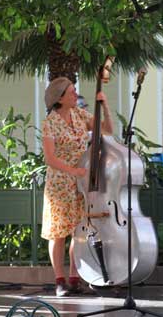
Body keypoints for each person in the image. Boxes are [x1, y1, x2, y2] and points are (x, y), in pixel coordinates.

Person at [41, 77, 113, 297]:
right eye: (71, 92)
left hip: (80, 183)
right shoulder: (50, 122)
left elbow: (107, 130)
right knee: (58, 233)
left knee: (78, 231)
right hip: (60, 183)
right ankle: (59, 280)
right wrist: (75, 171)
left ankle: (75, 277)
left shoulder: (80, 115)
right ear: (60, 98)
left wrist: (105, 105)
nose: (75, 94)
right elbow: (50, 158)